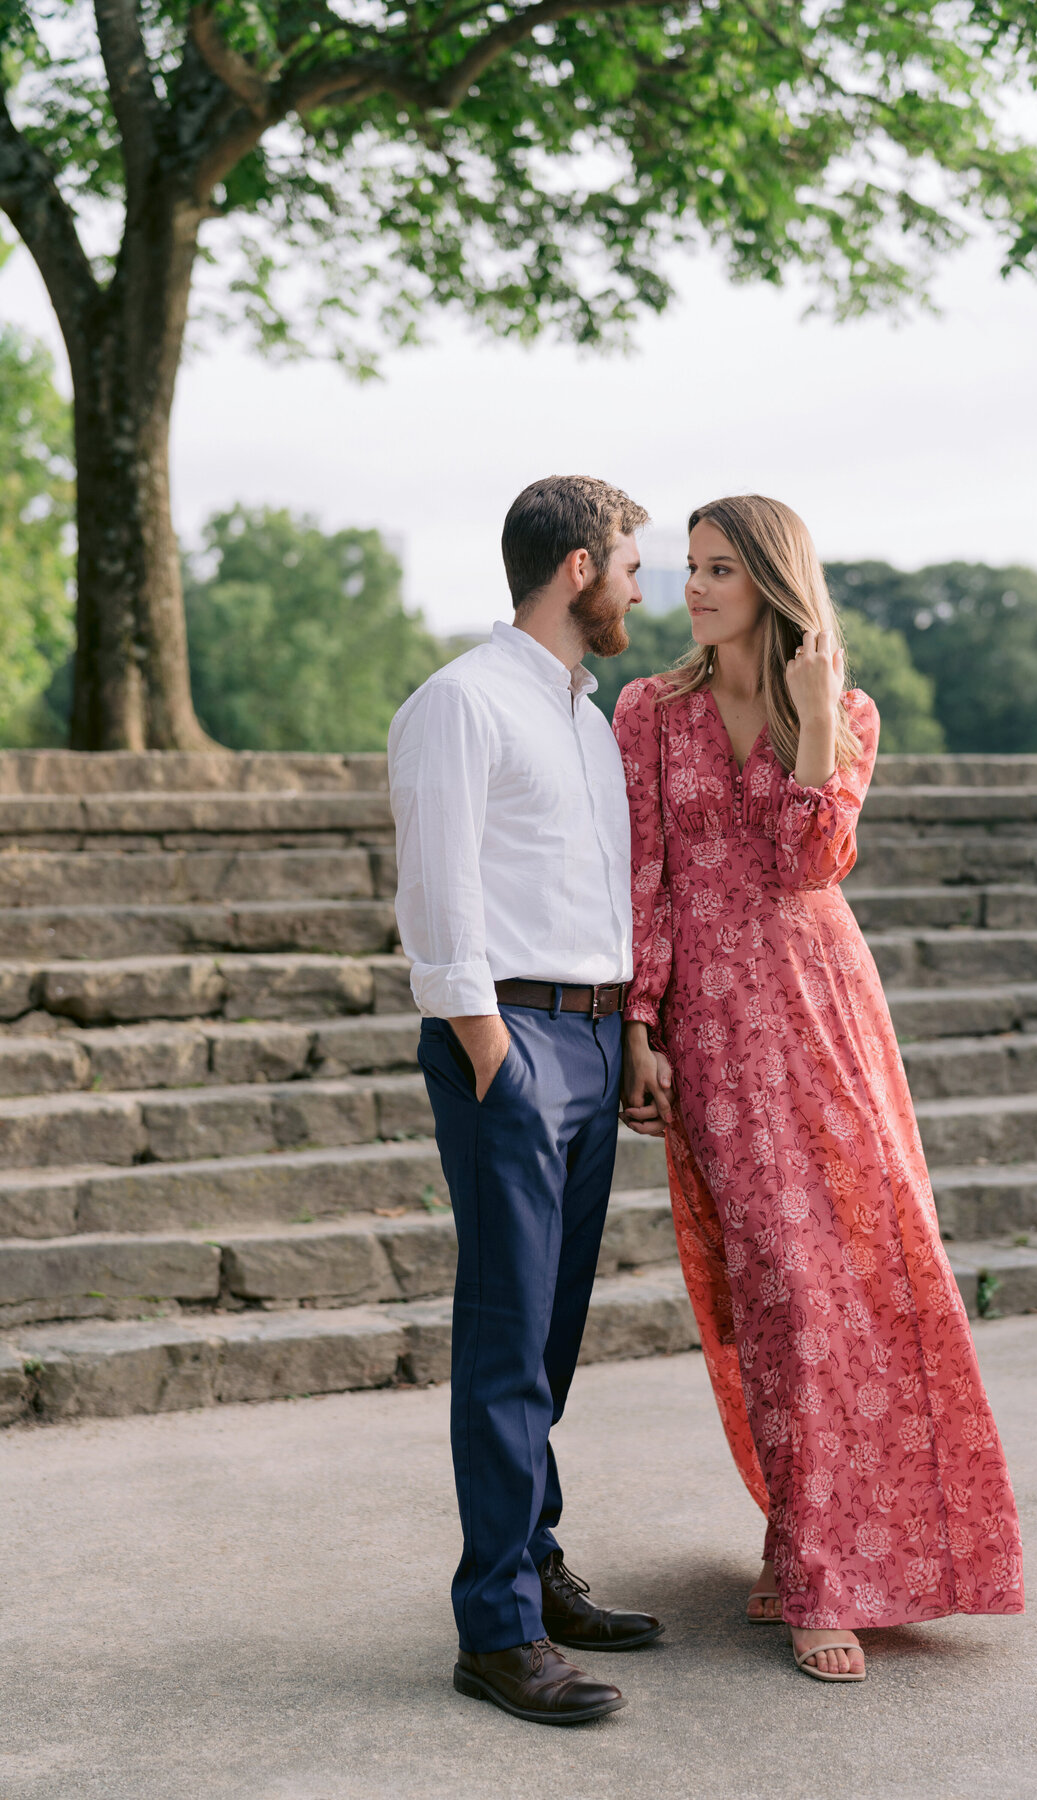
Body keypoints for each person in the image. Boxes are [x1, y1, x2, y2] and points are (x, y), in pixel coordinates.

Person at [615, 495, 1023, 1683]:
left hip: (826, 1014)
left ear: (774, 583)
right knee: (777, 1291)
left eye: (719, 570)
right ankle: (814, 1553)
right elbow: (645, 877)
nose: (691, 590)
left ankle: (816, 1557)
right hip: (718, 1035)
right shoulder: (650, 712)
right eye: (687, 569)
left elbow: (808, 863)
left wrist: (803, 723)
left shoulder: (843, 708)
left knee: (862, 1279)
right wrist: (641, 1024)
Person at [388, 476, 664, 1726]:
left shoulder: (587, 720)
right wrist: (491, 1044)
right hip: (512, 1040)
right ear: (574, 569)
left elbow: (599, 896)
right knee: (506, 1340)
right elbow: (438, 888)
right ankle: (493, 1632)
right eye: (632, 566)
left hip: (593, 1045)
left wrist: (622, 1040)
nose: (641, 589)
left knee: (547, 1339)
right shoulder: (460, 702)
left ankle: (534, 1565)